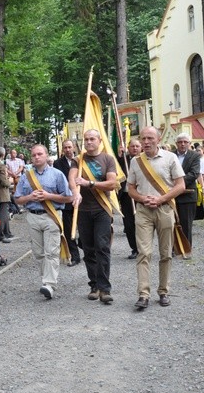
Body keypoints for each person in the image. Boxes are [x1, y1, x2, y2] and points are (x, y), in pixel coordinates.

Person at [127, 127, 185, 310]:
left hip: (165, 209)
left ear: (158, 139)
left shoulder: (170, 158)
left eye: (150, 138)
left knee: (166, 252)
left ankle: (163, 291)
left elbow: (180, 185)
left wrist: (161, 198)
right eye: (143, 138)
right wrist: (143, 198)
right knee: (143, 252)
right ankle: (143, 294)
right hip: (143, 210)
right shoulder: (136, 162)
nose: (146, 141)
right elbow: (130, 189)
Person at [13, 144, 72, 300]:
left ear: (47, 156)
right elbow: (18, 199)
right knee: (38, 253)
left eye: (40, 154)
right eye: (34, 155)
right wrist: (30, 197)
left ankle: (49, 284)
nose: (37, 157)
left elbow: (68, 197)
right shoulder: (26, 176)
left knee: (51, 252)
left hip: (51, 216)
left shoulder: (57, 174)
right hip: (32, 216)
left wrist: (48, 196)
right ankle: (46, 279)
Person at [70, 129, 118, 303]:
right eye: (86, 139)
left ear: (99, 140)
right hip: (83, 210)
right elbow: (72, 178)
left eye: (92, 139)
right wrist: (76, 192)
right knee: (88, 248)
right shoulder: (78, 160)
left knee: (102, 246)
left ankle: (105, 288)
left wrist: (90, 183)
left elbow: (112, 183)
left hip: (102, 209)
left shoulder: (107, 159)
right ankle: (94, 285)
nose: (88, 142)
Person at [54, 140, 82, 265]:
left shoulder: (81, 160)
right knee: (68, 229)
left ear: (74, 147)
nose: (68, 150)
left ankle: (84, 245)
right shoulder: (57, 163)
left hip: (81, 199)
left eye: (70, 147)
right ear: (62, 149)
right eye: (65, 147)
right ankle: (75, 256)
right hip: (66, 200)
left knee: (84, 227)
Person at [174, 133, 200, 250]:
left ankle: (186, 248)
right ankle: (173, 248)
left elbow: (194, 173)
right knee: (171, 224)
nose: (182, 144)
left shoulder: (194, 156)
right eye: (180, 142)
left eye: (185, 142)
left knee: (186, 224)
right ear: (176, 144)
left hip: (187, 195)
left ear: (189, 143)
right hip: (171, 195)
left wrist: (177, 182)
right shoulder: (170, 155)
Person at [116, 139, 141, 259]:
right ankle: (134, 248)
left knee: (142, 223)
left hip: (141, 196)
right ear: (128, 148)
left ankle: (143, 247)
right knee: (129, 224)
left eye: (137, 146)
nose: (135, 148)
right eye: (132, 146)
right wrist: (119, 156)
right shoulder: (124, 160)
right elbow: (116, 171)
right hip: (126, 196)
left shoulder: (144, 160)